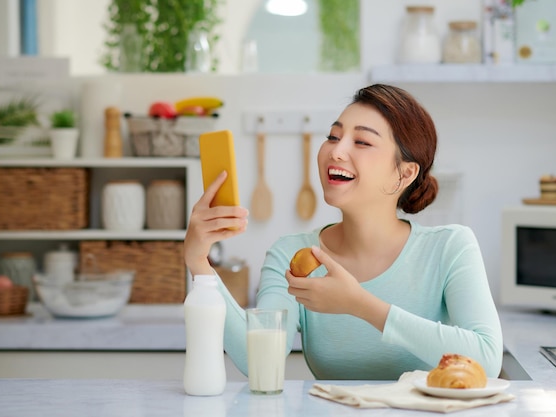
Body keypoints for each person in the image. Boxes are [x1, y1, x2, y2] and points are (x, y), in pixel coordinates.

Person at [183, 83, 503, 380]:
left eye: (362, 141)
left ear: (404, 173)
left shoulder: (450, 247)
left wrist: (360, 304)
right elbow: (258, 362)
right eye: (333, 137)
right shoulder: (292, 254)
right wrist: (199, 263)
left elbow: (487, 358)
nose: (336, 151)